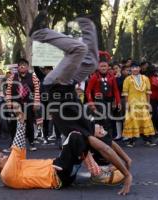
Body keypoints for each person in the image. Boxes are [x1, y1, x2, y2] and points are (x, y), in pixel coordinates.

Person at [29, 11, 132, 195]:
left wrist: (126, 174)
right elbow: (110, 144)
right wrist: (127, 159)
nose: (102, 132)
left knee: (78, 49)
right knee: (91, 63)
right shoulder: (91, 129)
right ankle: (87, 25)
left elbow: (106, 148)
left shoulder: (87, 137)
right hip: (66, 87)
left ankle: (38, 33)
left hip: (55, 87)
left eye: (100, 134)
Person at [0, 108, 126, 190]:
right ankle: (97, 174)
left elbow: (19, 149)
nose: (6, 156)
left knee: (84, 135)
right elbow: (17, 146)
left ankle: (102, 167)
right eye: (2, 157)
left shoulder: (14, 166)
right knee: (75, 137)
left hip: (62, 169)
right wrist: (21, 122)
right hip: (58, 176)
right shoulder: (7, 175)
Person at [5, 59, 41, 151]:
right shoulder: (12, 77)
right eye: (20, 65)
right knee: (14, 124)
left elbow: (37, 90)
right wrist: (9, 103)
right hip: (15, 104)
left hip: (28, 104)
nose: (22, 66)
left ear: (27, 67)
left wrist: (36, 102)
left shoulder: (33, 77)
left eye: (24, 65)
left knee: (29, 123)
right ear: (18, 67)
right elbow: (8, 91)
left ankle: (31, 143)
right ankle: (13, 144)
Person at [122, 62, 157, 147]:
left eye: (136, 67)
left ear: (139, 68)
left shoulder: (145, 78)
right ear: (131, 69)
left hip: (143, 103)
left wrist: (148, 104)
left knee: (145, 121)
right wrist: (127, 104)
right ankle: (131, 141)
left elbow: (148, 92)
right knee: (133, 122)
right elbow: (125, 93)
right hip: (132, 103)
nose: (135, 69)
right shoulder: (127, 79)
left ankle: (148, 140)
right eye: (133, 68)